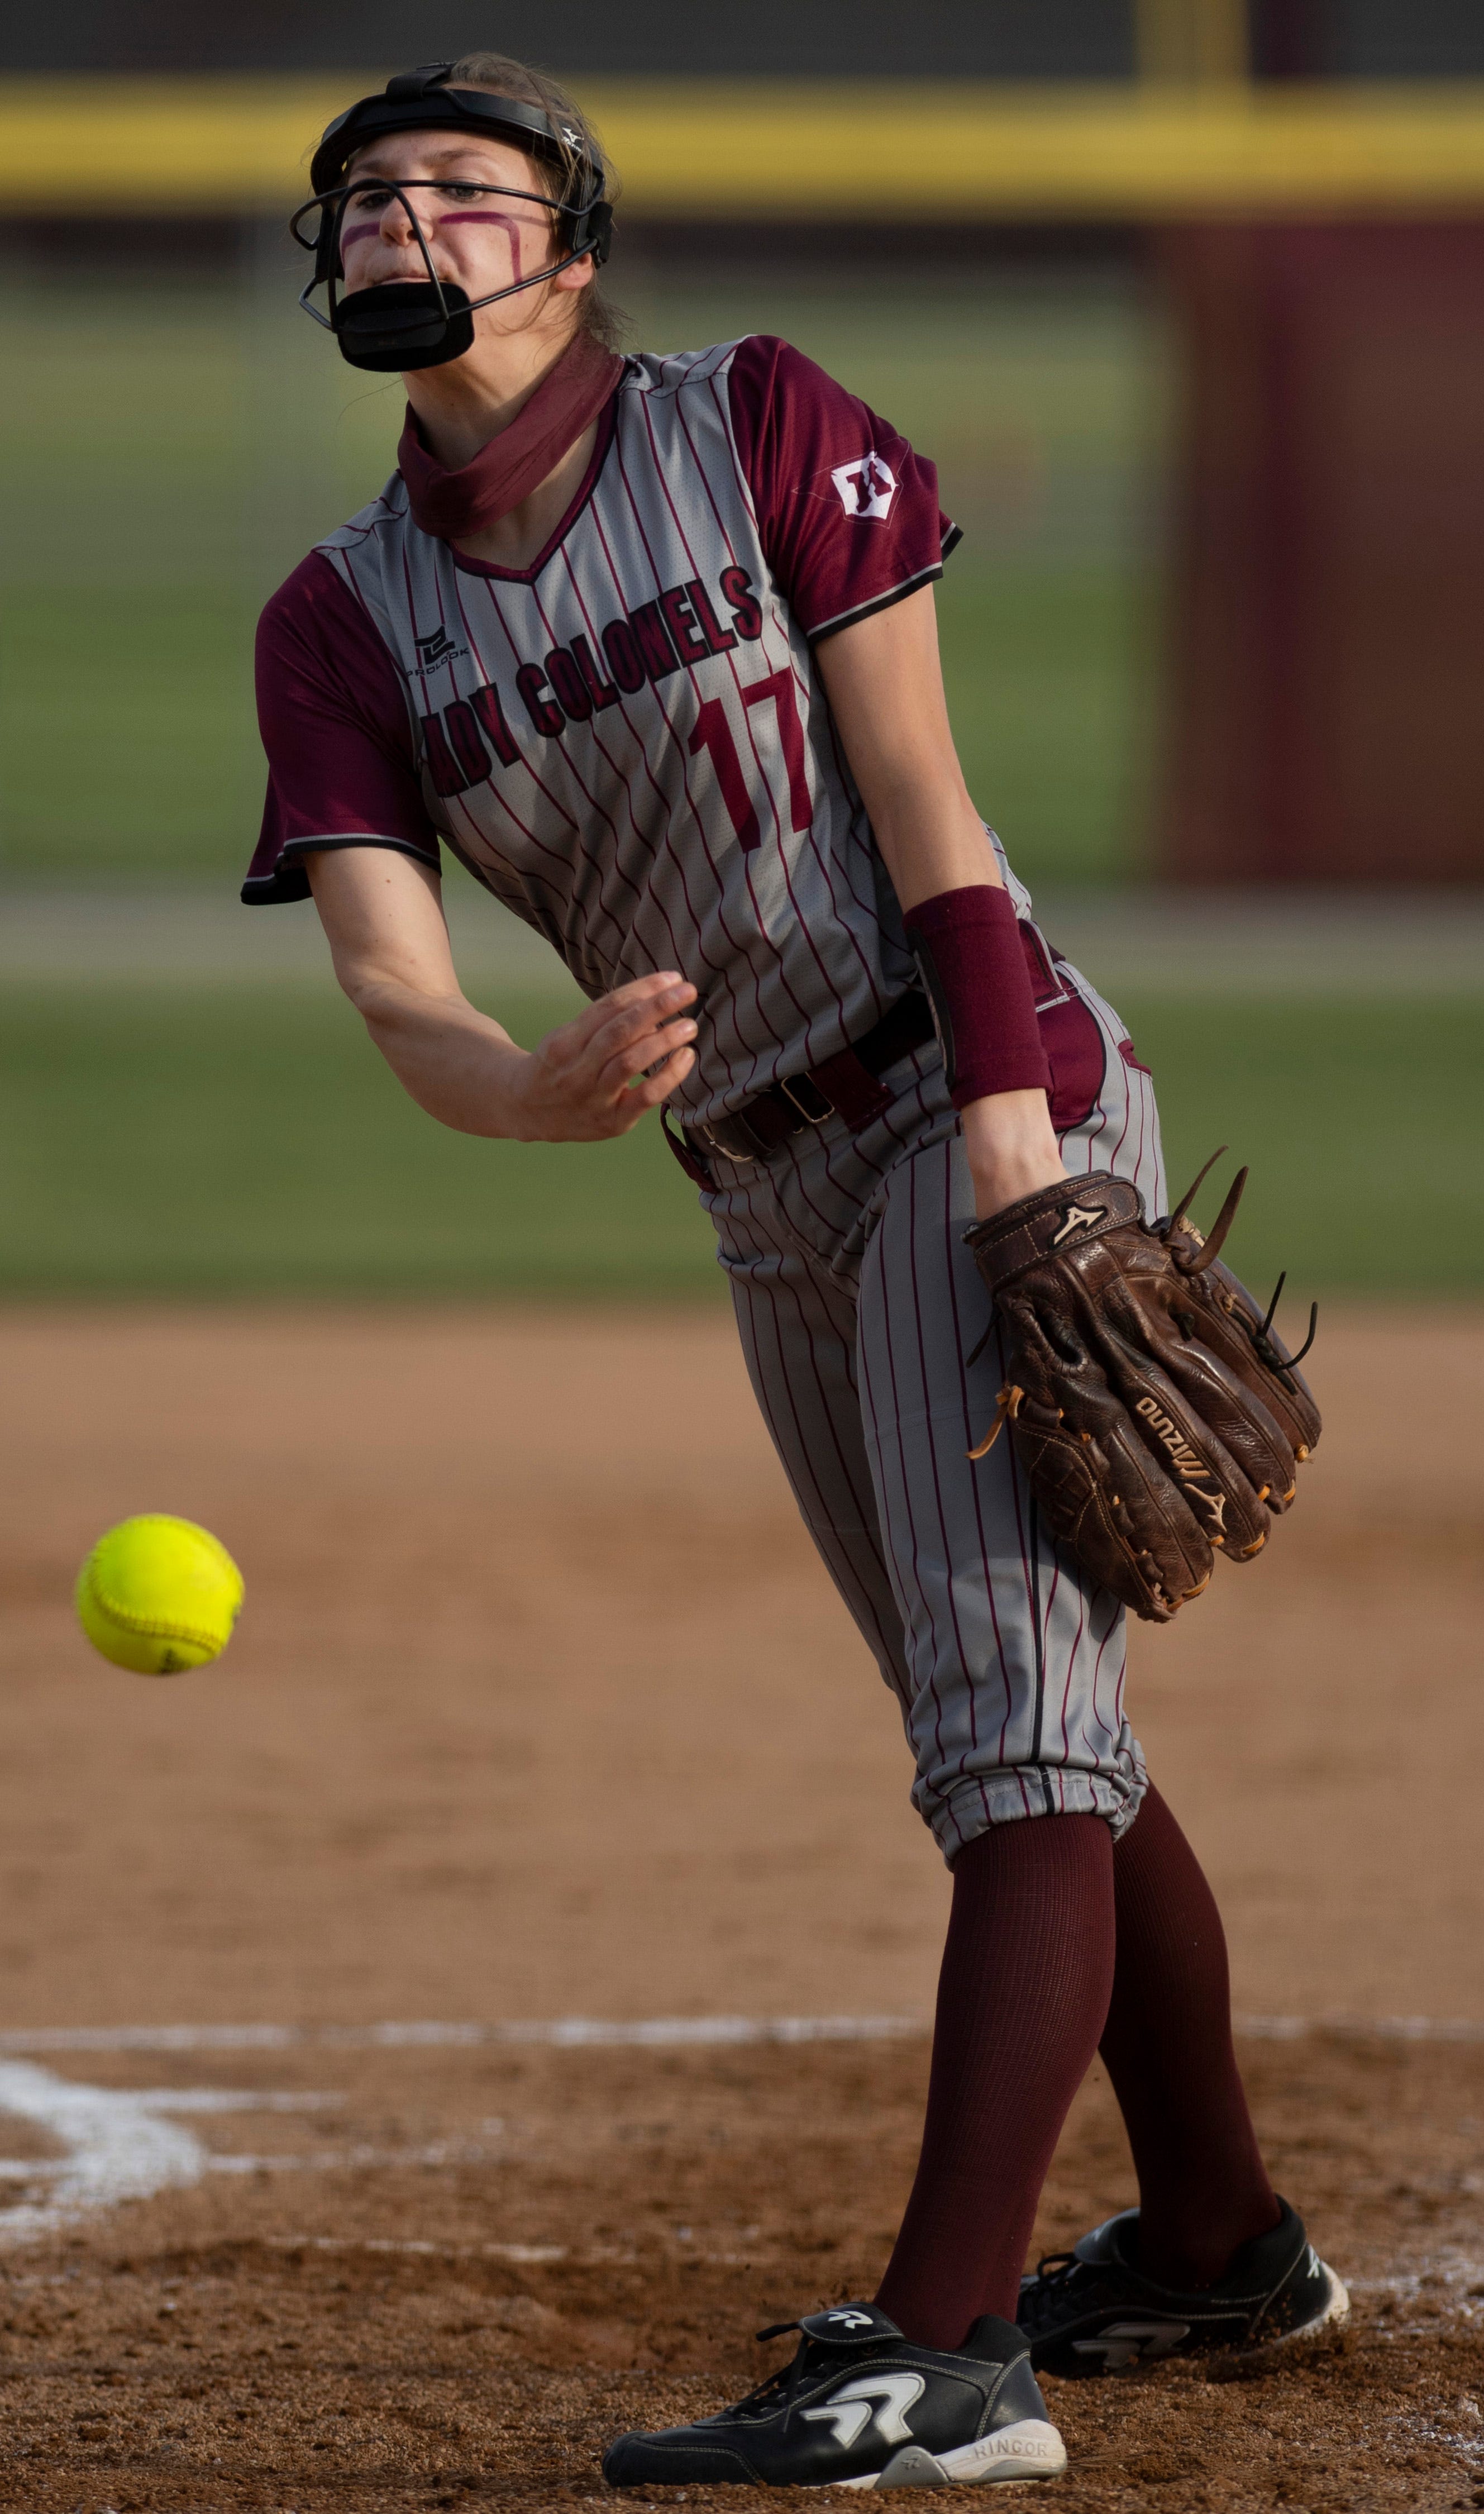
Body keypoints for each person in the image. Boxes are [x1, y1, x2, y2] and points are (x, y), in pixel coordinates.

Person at [246, 54, 1348, 2493]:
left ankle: (947, 2359)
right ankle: (1211, 2248)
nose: (395, 215)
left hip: (968, 1092)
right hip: (757, 1189)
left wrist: (1010, 1165)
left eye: (454, 179)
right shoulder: (337, 620)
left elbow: (936, 829)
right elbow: (390, 985)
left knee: (1007, 1740)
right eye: (358, 195)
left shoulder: (744, 427)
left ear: (570, 237)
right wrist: (508, 1086)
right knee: (1024, 1711)